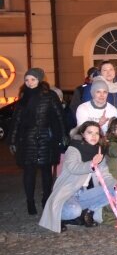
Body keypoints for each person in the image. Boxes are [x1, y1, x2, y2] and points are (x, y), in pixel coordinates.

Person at [39, 122, 117, 233]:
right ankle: (59, 217)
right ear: (82, 134)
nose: (94, 136)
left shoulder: (99, 152)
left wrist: (115, 184)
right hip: (68, 193)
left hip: (84, 194)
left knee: (115, 190)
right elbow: (73, 167)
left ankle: (88, 212)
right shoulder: (74, 148)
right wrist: (91, 164)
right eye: (90, 133)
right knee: (74, 211)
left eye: (96, 133)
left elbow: (105, 175)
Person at [9, 68, 67, 215]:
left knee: (46, 171)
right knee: (29, 172)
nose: (29, 83)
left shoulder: (49, 96)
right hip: (27, 139)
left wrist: (63, 135)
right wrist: (13, 140)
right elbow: (17, 120)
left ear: (39, 80)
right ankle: (30, 202)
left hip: (46, 138)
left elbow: (59, 116)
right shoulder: (24, 97)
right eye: (27, 80)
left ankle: (46, 199)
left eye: (32, 80)